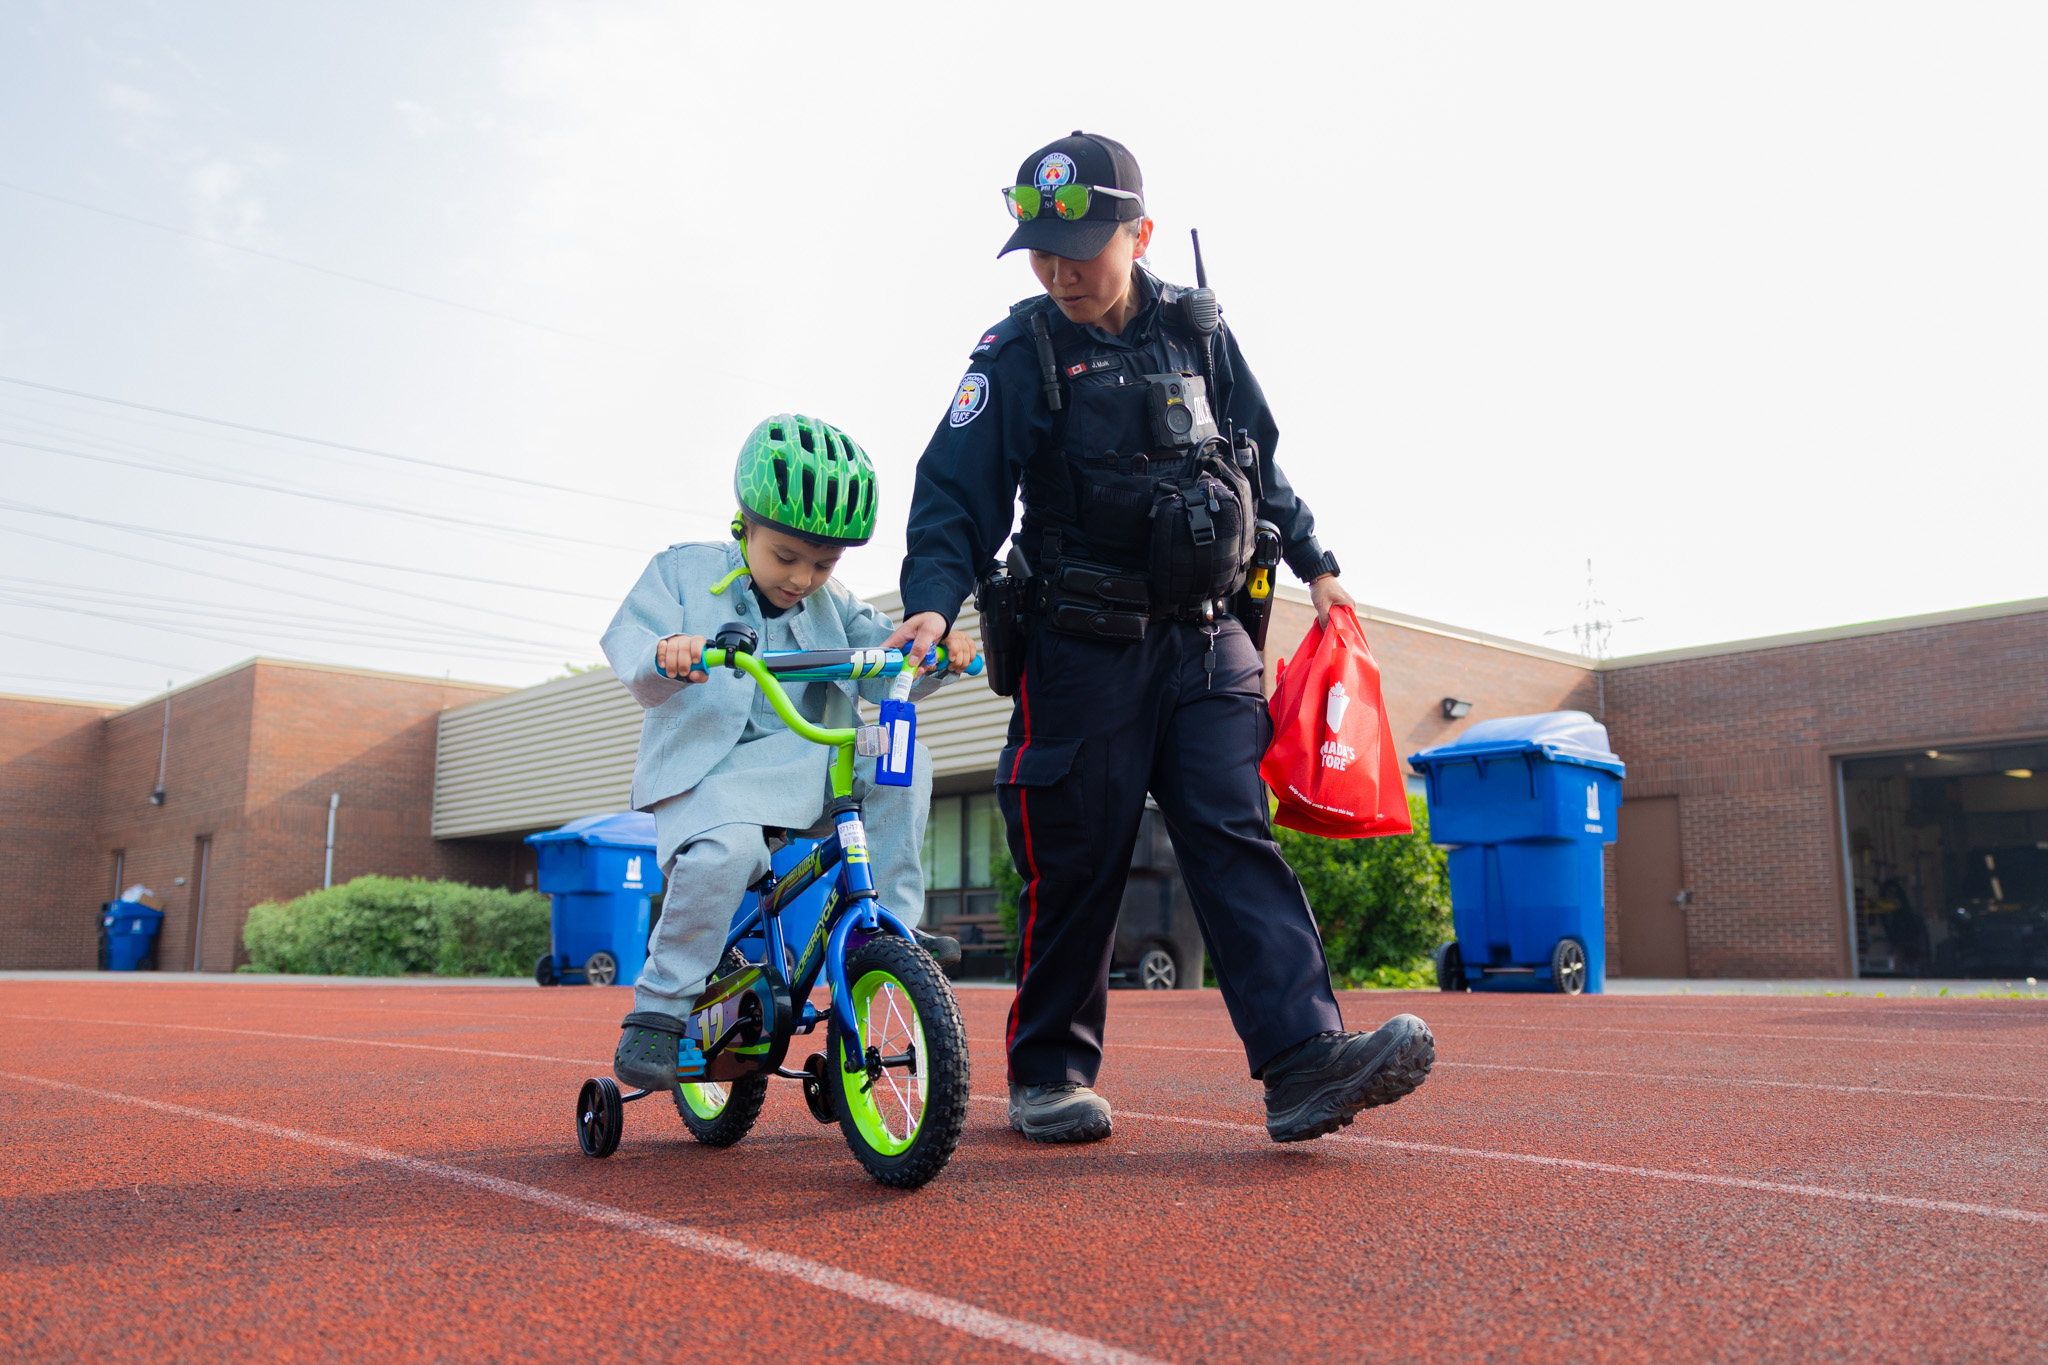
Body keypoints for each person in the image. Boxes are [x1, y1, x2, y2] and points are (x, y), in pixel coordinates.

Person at [885, 132, 1434, 1144]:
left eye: (1081, 251)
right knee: (1078, 862)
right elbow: (952, 497)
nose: (1060, 273)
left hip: (1206, 639)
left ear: (1137, 233)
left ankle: (1303, 1063)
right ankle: (1049, 1073)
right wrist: (932, 596)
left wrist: (1317, 562)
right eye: (1041, 254)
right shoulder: (1018, 353)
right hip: (1078, 650)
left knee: (1232, 835)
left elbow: (1255, 459)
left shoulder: (1199, 332)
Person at [602, 414, 977, 1092]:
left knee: (901, 748)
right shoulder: (683, 572)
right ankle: (659, 1008)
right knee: (725, 856)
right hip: (709, 779)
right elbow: (633, 650)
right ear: (744, 525)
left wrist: (935, 656)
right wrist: (670, 653)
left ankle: (889, 924)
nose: (804, 577)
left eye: (824, 562)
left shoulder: (832, 603)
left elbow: (884, 664)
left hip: (807, 767)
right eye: (787, 556)